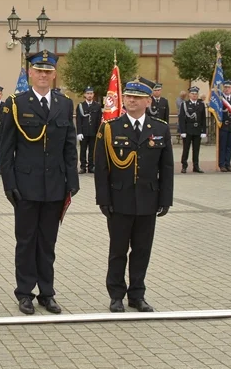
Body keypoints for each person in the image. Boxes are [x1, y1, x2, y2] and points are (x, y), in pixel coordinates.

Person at [0, 52, 79, 315]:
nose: (43, 75)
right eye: (38, 71)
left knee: (47, 243)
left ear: (54, 74)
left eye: (48, 71)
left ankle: (47, 292)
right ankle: (24, 293)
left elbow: (69, 146)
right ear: (30, 73)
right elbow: (6, 148)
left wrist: (72, 181)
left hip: (54, 185)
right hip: (26, 185)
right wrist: (9, 184)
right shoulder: (16, 103)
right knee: (25, 242)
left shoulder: (64, 104)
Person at [94, 78, 173, 313]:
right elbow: (102, 168)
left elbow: (166, 168)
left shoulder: (159, 128)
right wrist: (104, 200)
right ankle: (116, 295)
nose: (131, 101)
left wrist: (165, 199)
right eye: (128, 96)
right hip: (119, 200)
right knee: (118, 251)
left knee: (142, 251)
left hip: (148, 200)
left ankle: (137, 295)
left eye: (137, 98)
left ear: (148, 101)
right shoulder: (110, 128)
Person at [178, 87, 207, 173]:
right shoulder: (185, 104)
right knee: (186, 149)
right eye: (193, 94)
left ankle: (196, 166)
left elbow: (203, 119)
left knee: (196, 149)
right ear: (189, 95)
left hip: (197, 129)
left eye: (196, 94)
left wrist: (203, 131)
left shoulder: (201, 104)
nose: (194, 96)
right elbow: (182, 118)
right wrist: (182, 131)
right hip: (188, 130)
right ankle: (184, 165)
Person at [75, 86, 102, 174]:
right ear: (84, 95)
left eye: (91, 93)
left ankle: (91, 166)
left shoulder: (97, 106)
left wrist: (99, 132)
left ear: (93, 95)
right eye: (87, 93)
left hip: (93, 132)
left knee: (92, 150)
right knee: (82, 150)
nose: (89, 95)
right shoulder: (80, 106)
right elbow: (78, 120)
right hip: (84, 132)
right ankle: (83, 167)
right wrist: (79, 132)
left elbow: (98, 120)